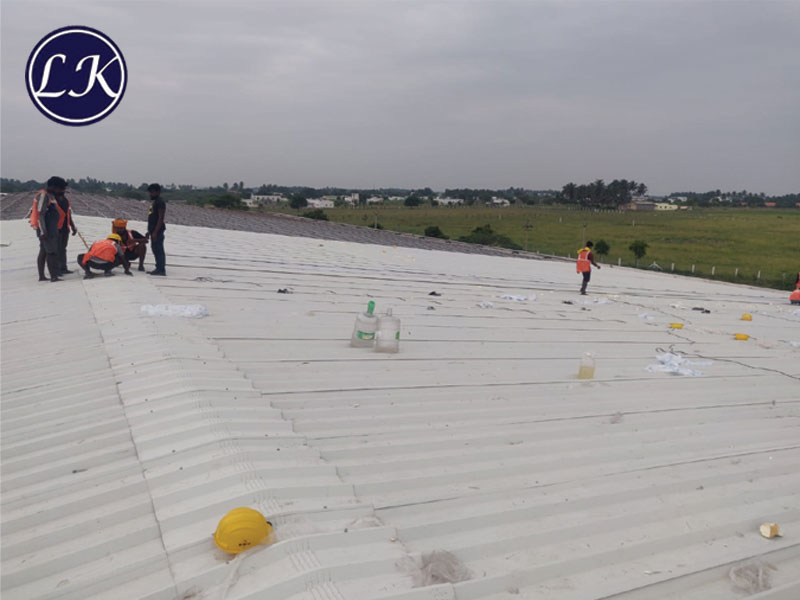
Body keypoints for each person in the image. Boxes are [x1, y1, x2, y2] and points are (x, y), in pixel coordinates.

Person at [28, 176, 68, 282]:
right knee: (51, 252)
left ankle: (43, 276)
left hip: (50, 229)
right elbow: (40, 214)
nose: (61, 191)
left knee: (44, 251)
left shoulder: (50, 196)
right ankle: (53, 276)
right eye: (60, 189)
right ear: (53, 187)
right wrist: (43, 231)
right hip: (47, 231)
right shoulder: (44, 195)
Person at [55, 184, 78, 274]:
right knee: (56, 249)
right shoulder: (52, 200)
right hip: (56, 229)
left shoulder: (65, 200)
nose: (63, 191)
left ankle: (63, 268)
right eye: (61, 189)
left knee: (63, 249)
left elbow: (68, 214)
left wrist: (73, 226)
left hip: (65, 228)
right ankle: (56, 270)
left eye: (64, 189)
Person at [146, 183, 167, 276]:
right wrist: (149, 231)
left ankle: (161, 269)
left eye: (152, 192)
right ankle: (158, 267)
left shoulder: (160, 202)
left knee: (158, 249)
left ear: (157, 192)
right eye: (150, 192)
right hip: (153, 230)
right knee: (155, 249)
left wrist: (155, 232)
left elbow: (161, 218)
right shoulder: (155, 202)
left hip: (157, 230)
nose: (150, 194)